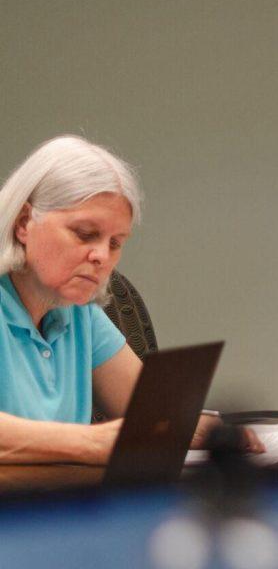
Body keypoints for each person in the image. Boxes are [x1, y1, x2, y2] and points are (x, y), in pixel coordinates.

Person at [0, 135, 258, 464]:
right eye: (85, 233)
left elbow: (151, 416)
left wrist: (205, 430)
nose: (101, 256)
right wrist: (89, 442)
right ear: (24, 223)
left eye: (115, 243)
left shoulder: (79, 312)